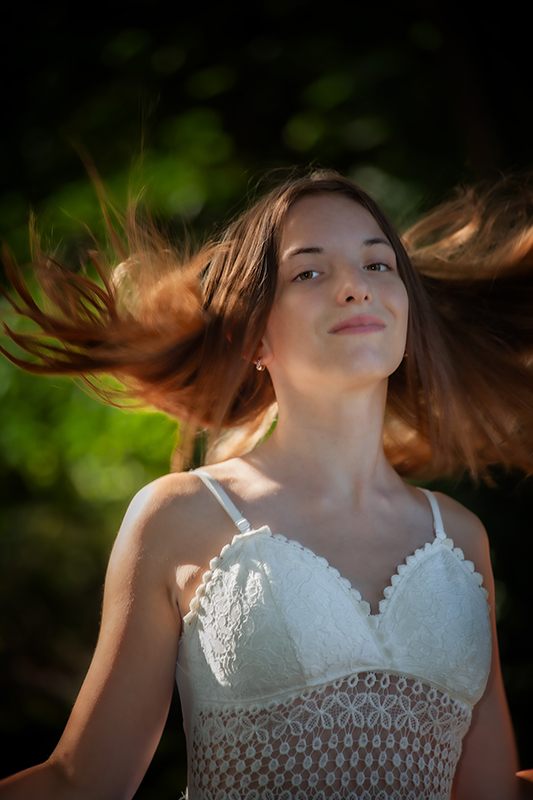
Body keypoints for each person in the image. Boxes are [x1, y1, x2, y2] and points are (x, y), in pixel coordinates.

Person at [1, 170, 533, 799]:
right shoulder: (181, 516)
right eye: (309, 272)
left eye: (379, 265)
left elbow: (490, 792)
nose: (356, 287)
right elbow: (81, 782)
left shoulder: (459, 538)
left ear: (407, 311)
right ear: (252, 335)